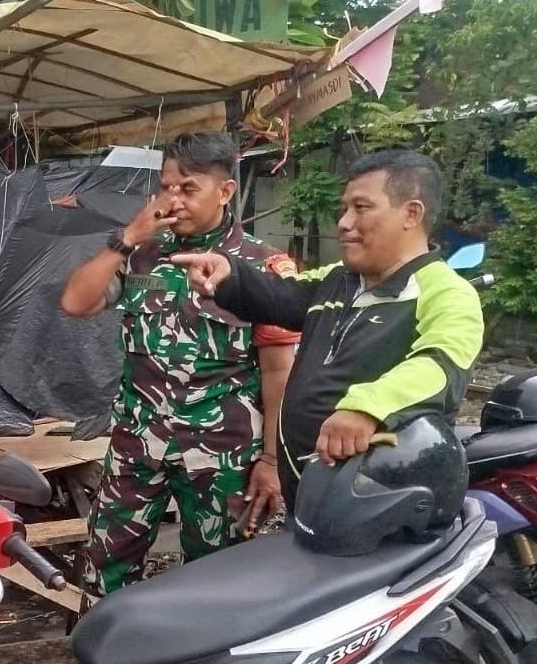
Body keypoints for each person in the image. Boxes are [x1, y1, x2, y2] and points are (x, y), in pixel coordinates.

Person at [60, 131, 301, 597]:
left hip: (221, 453)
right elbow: (74, 302)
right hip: (137, 445)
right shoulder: (144, 257)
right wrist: (127, 237)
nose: (173, 200)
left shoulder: (262, 266)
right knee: (103, 566)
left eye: (188, 189)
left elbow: (278, 373)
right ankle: (104, 662)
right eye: (166, 187)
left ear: (225, 191)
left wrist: (272, 460)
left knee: (216, 581)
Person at [172, 149, 485, 502]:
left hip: (376, 498)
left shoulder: (447, 293)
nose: (344, 222)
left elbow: (440, 366)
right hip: (310, 492)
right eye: (345, 208)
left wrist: (367, 408)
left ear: (411, 214)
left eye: (361, 208)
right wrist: (229, 275)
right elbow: (279, 295)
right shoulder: (340, 279)